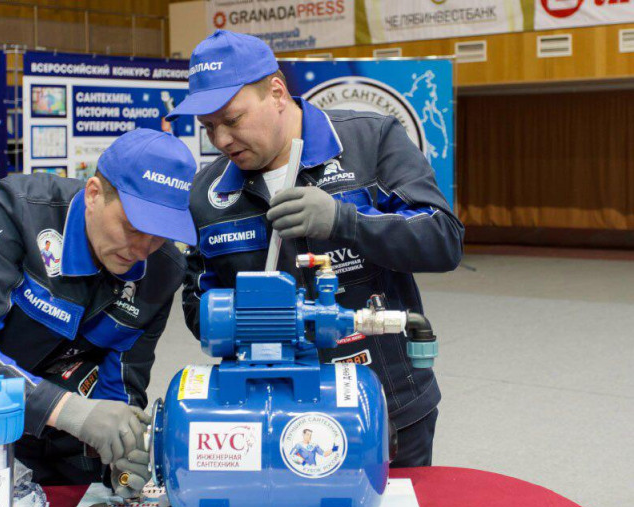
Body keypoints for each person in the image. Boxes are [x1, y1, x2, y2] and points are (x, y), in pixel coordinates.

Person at [170, 30, 465, 467]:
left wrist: (345, 221)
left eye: (232, 119)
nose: (222, 140)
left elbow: (443, 239)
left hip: (387, 406)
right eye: (209, 127)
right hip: (271, 415)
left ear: (276, 92)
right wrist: (254, 321)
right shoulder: (207, 194)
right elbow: (200, 307)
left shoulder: (370, 140)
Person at [0, 129, 197, 496]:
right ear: (93, 194)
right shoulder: (18, 209)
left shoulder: (164, 268)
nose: (142, 250)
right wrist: (71, 411)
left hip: (80, 445)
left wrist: (121, 455)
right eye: (133, 228)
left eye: (159, 236)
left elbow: (123, 382)